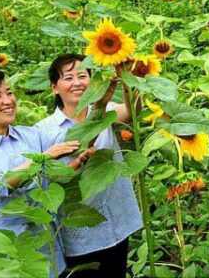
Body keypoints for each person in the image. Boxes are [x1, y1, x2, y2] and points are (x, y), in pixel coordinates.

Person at [35, 54, 142, 278]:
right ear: (54, 87)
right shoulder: (42, 132)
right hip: (82, 234)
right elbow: (44, 182)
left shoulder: (108, 110)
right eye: (68, 78)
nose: (77, 83)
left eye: (83, 76)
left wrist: (128, 78)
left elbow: (132, 111)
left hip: (118, 220)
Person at [0, 69, 91, 277]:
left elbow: (78, 135)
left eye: (9, 93)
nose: (8, 100)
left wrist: (102, 101)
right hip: (5, 255)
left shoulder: (31, 136)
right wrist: (44, 158)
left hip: (47, 251)